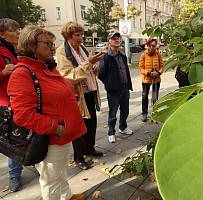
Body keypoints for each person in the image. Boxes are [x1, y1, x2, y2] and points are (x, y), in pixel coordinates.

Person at [8, 25, 86, 200]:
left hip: (61, 136)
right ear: (31, 45)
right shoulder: (22, 73)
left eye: (53, 43)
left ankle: (66, 196)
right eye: (48, 44)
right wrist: (55, 127)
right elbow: (22, 115)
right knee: (50, 181)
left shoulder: (46, 67)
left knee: (59, 173)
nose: (53, 47)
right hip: (50, 139)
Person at [56, 21, 103, 170]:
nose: (81, 38)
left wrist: (94, 68)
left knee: (92, 124)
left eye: (82, 34)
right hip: (77, 97)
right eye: (77, 35)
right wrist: (88, 64)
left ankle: (89, 149)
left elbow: (88, 69)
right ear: (68, 36)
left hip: (89, 92)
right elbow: (67, 76)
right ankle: (79, 157)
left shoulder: (82, 48)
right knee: (78, 128)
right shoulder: (62, 51)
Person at [0, 18, 23, 192]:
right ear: (2, 34)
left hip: (24, 100)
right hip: (7, 103)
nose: (18, 32)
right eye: (14, 30)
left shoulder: (19, 49)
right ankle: (14, 174)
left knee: (30, 135)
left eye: (18, 29)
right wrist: (1, 73)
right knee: (13, 139)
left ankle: (34, 162)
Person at [98, 32, 133, 143]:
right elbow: (101, 74)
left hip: (125, 87)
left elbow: (125, 71)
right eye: (114, 38)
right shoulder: (106, 57)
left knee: (125, 110)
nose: (117, 40)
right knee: (113, 113)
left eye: (118, 38)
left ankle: (122, 127)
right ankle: (111, 132)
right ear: (109, 41)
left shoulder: (123, 55)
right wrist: (109, 84)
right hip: (113, 90)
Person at [139, 38, 164, 122]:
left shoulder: (158, 54)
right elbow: (141, 68)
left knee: (155, 96)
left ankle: (154, 113)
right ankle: (144, 113)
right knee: (144, 96)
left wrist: (158, 73)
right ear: (147, 46)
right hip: (146, 79)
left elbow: (162, 66)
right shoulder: (143, 55)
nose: (152, 47)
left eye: (154, 45)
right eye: (150, 45)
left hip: (156, 79)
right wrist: (148, 73)